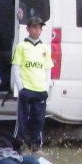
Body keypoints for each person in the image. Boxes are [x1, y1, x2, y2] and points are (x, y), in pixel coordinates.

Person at [11, 16, 53, 153]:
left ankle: (36, 145)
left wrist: (46, 87)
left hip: (40, 89)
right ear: (28, 28)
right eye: (34, 27)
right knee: (23, 119)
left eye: (39, 27)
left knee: (39, 119)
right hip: (27, 88)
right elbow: (16, 67)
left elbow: (47, 69)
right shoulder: (21, 47)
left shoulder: (45, 48)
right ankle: (18, 143)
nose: (37, 30)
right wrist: (21, 88)